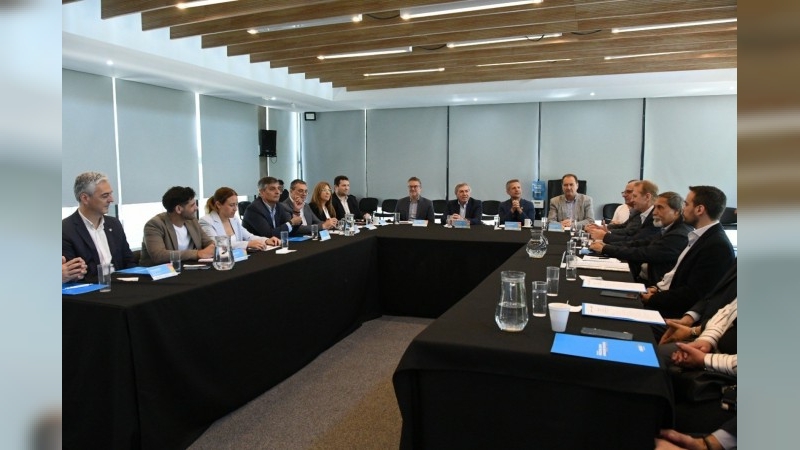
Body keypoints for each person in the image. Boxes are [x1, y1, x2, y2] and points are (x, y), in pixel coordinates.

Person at [640, 186, 736, 319]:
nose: (683, 209)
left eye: (686, 204)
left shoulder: (717, 245)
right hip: (664, 298)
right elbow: (676, 275)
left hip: (675, 314)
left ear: (699, 209)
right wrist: (657, 289)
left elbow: (693, 293)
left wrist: (654, 298)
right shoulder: (700, 236)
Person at [590, 191, 691, 284]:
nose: (654, 212)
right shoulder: (668, 228)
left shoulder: (679, 235)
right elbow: (641, 243)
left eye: (660, 208)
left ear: (676, 211)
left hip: (653, 284)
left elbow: (645, 253)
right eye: (655, 207)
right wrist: (607, 245)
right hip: (643, 274)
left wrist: (606, 248)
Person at [62, 171, 136, 277]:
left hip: (121, 284)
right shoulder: (65, 230)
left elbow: (129, 262)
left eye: (110, 194)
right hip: (91, 286)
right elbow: (74, 273)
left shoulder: (114, 224)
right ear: (85, 198)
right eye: (105, 196)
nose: (111, 200)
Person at [139, 186, 215, 266]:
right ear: (178, 209)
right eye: (192, 205)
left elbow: (208, 243)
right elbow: (159, 255)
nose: (196, 208)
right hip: (158, 271)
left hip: (187, 268)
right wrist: (197, 253)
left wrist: (213, 248)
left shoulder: (192, 221)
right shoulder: (154, 225)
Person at [199, 187, 279, 250]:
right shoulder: (206, 221)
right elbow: (217, 244)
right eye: (231, 205)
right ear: (218, 205)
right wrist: (247, 244)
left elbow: (248, 237)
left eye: (236, 204)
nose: (235, 209)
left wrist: (266, 240)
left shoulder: (234, 219)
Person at [589, 180, 661, 244]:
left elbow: (634, 239)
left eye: (635, 196)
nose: (632, 200)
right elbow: (624, 226)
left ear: (647, 197)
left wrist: (605, 236)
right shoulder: (638, 212)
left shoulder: (655, 217)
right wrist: (605, 229)